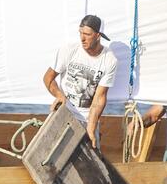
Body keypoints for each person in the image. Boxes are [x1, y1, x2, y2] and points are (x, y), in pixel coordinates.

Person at [42, 15, 118, 145]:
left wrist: (91, 127)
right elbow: (48, 78)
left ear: (98, 35)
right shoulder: (69, 49)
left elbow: (99, 98)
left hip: (87, 119)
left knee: (92, 154)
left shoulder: (110, 60)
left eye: (87, 34)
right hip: (63, 113)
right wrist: (59, 96)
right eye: (80, 33)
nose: (82, 38)